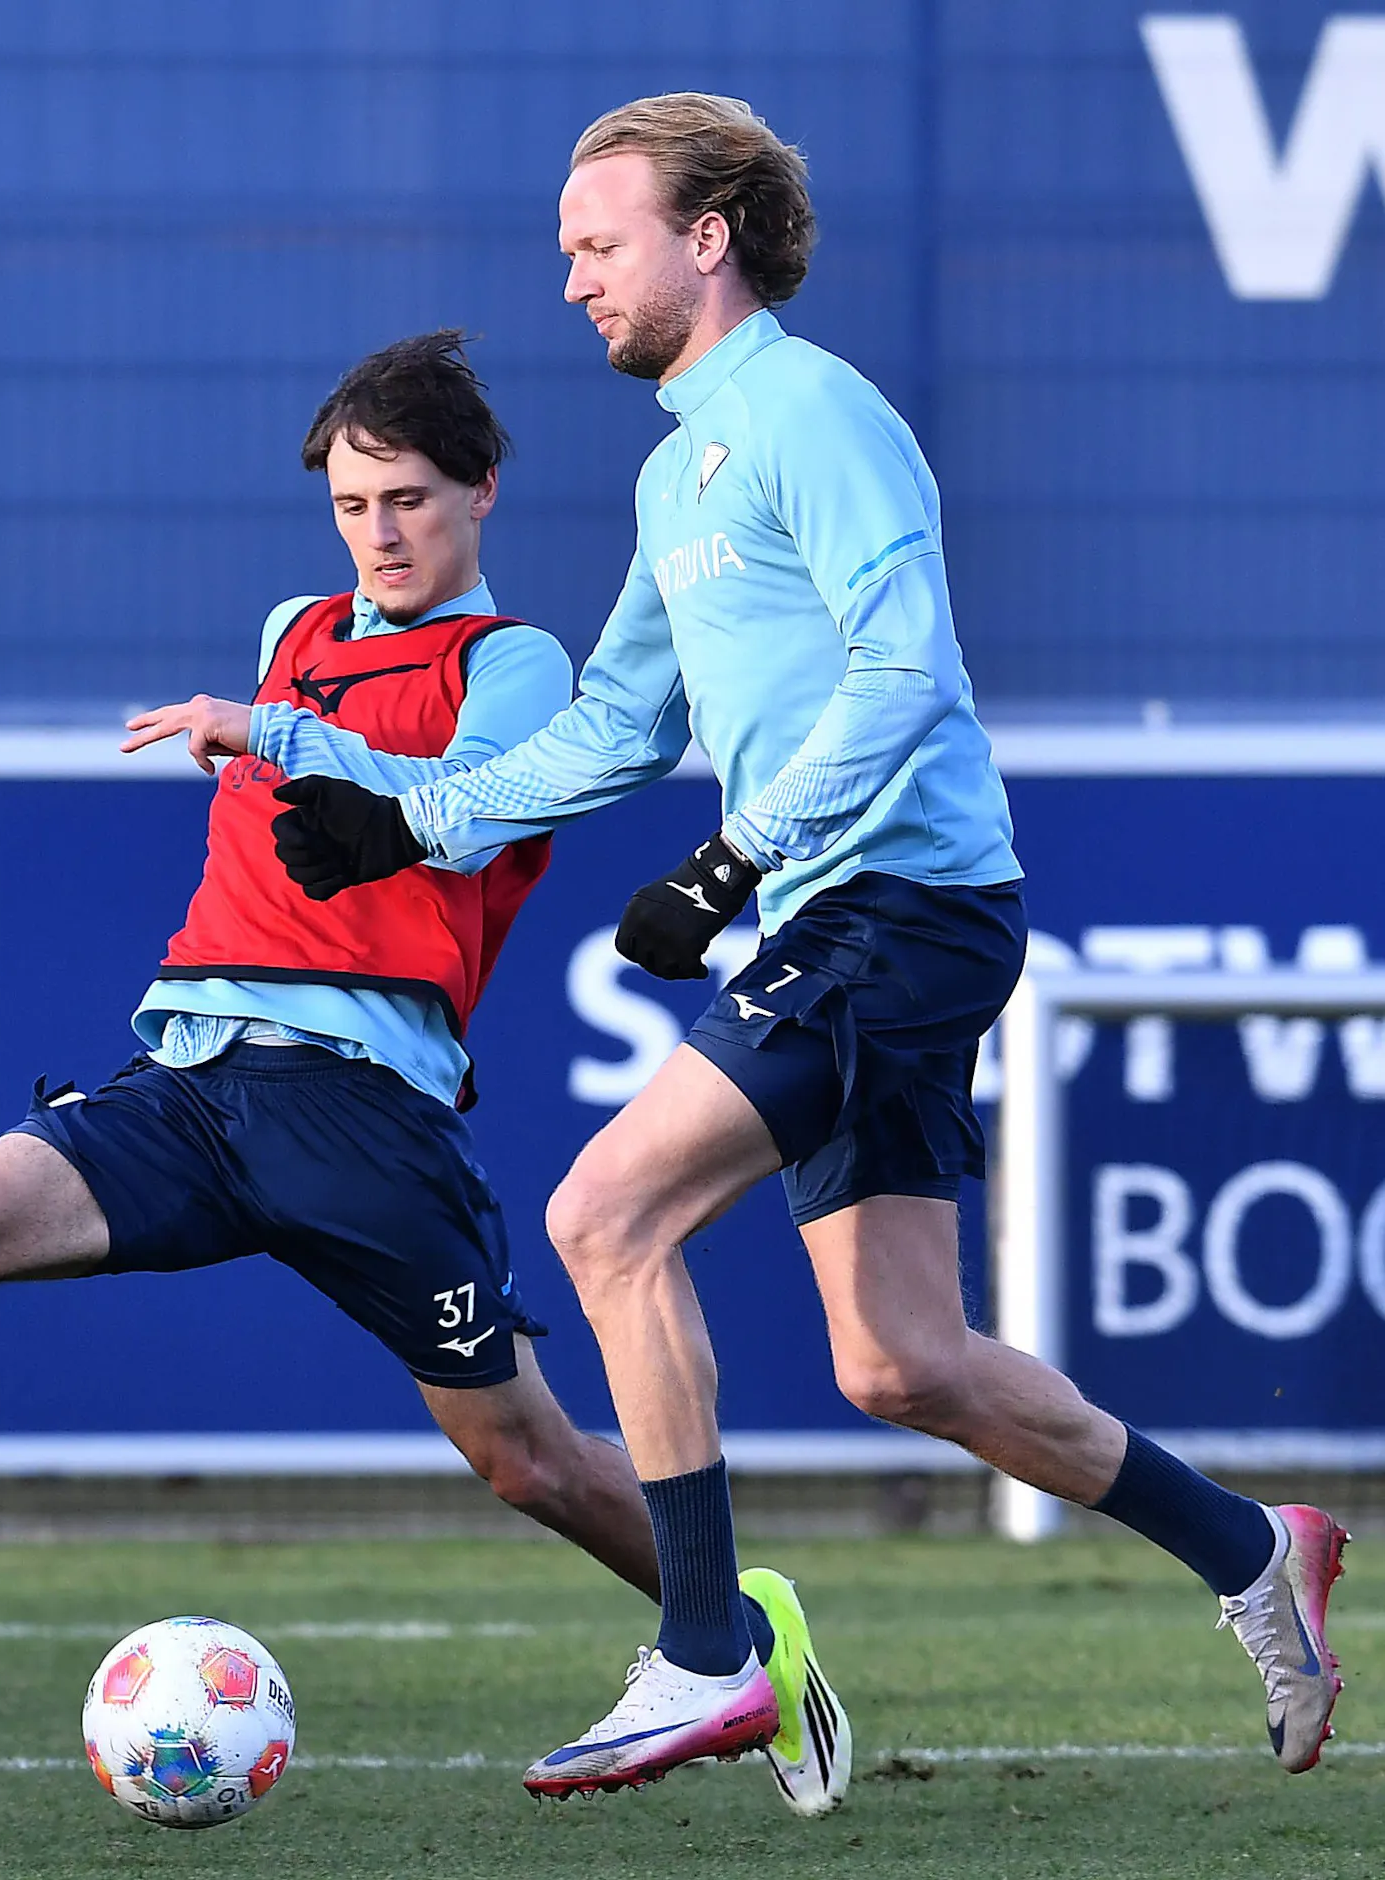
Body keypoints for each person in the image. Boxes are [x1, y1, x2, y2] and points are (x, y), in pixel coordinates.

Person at [0, 329, 848, 1818]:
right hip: (191, 1078)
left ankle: (740, 1632)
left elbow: (469, 811)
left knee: (527, 1462)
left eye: (411, 500)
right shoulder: (296, 628)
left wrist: (273, 731)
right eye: (354, 504)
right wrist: (280, 725)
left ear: (483, 490)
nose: (381, 533)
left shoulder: (513, 661)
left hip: (366, 1112)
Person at [270, 96, 1349, 1797]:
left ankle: (709, 1649)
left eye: (597, 244)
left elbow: (909, 669)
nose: (573, 280)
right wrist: (408, 819)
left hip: (897, 906)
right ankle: (1251, 1546)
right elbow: (618, 727)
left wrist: (733, 859)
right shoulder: (676, 467)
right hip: (846, 912)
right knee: (901, 1362)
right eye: (568, 251)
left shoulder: (813, 410)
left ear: (707, 239)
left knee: (604, 1214)